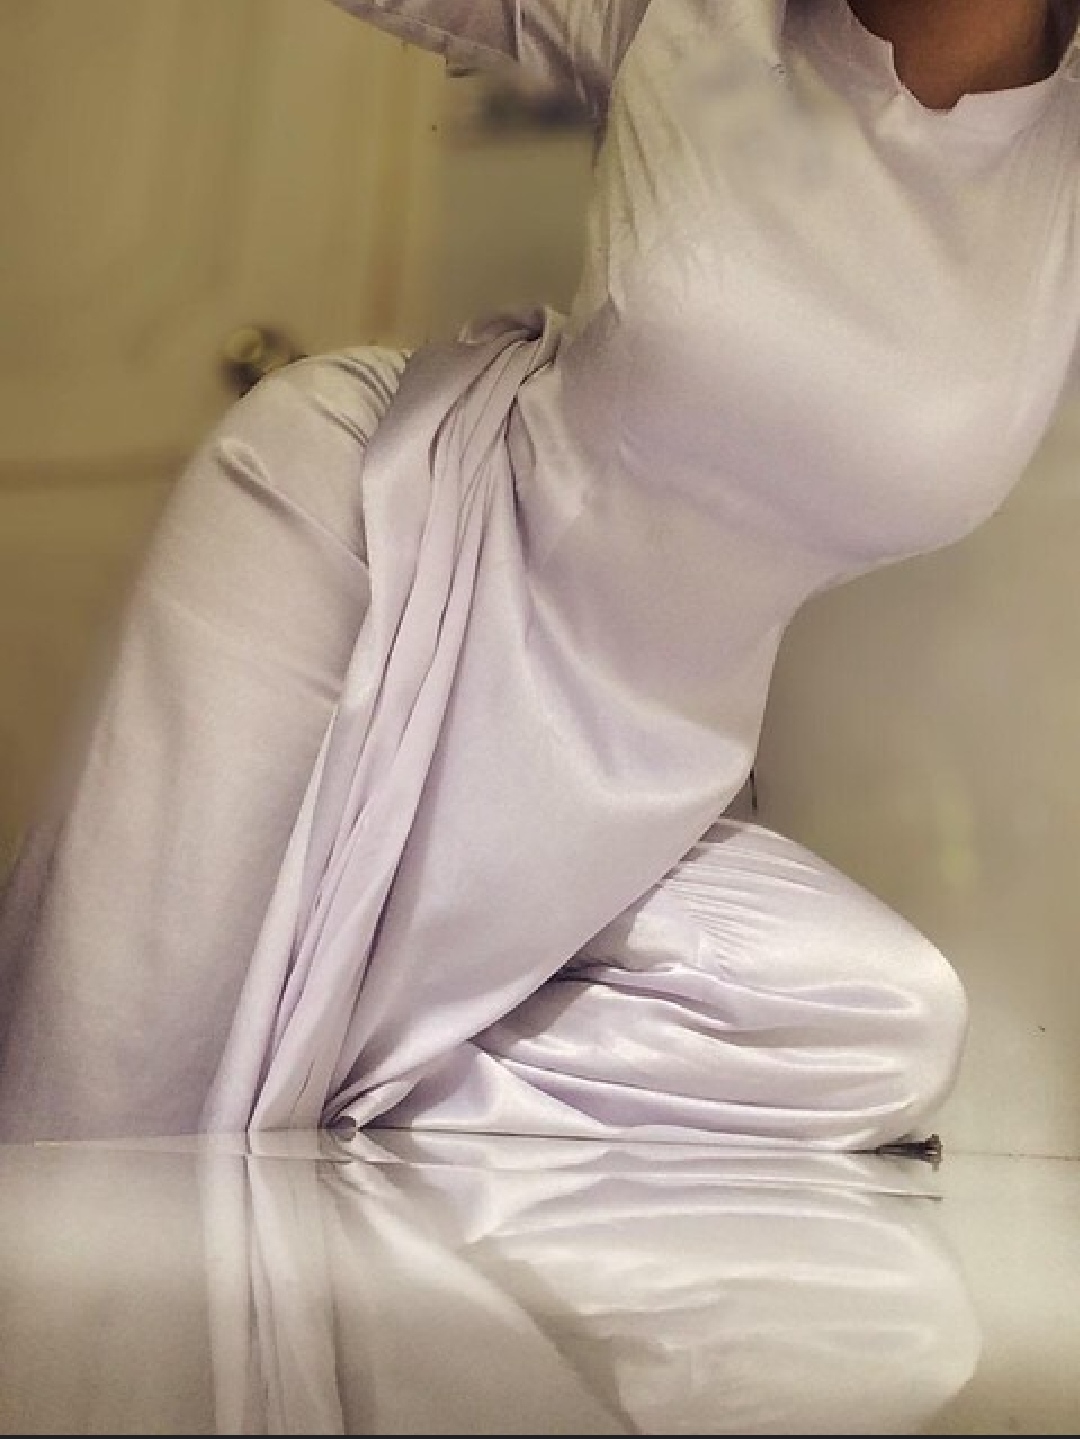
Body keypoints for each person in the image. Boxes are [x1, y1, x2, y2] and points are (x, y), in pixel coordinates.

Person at [2, 0, 1077, 1147]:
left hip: (632, 783)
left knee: (887, 1028)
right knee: (115, 1091)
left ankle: (327, 1039)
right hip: (374, 551)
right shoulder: (683, 18)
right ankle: (296, 1045)